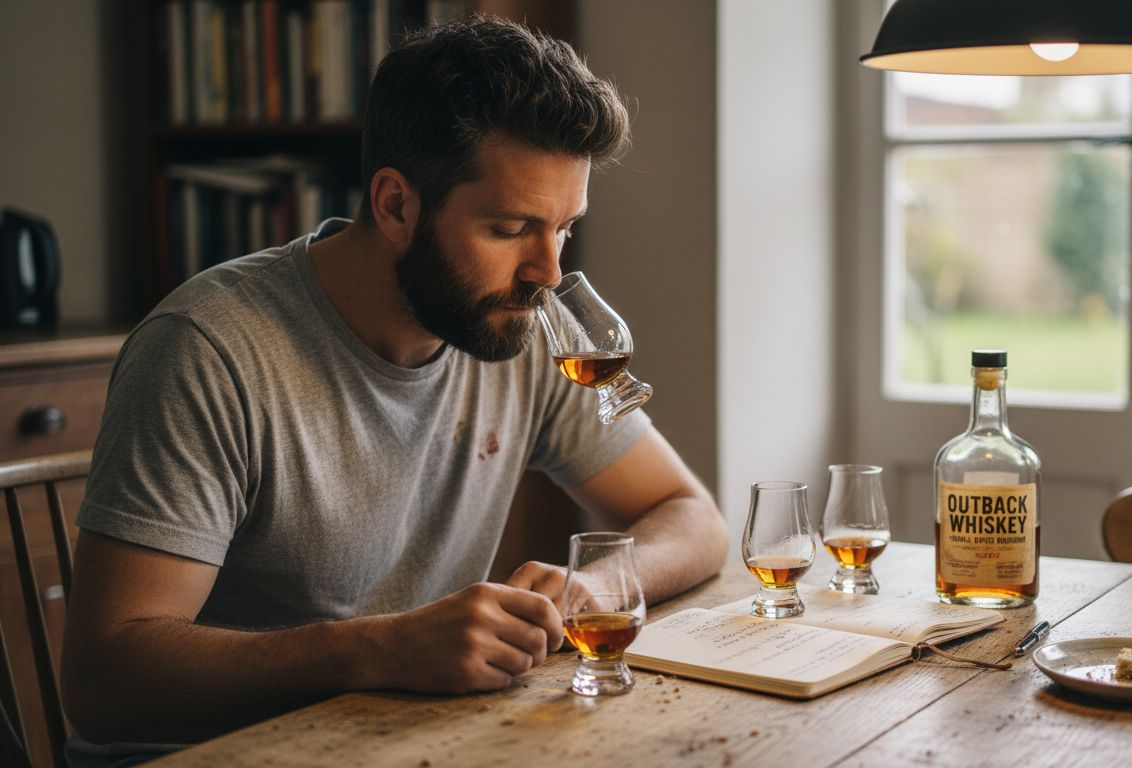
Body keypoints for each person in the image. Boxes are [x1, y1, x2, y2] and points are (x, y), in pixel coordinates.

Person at [60, 16, 728, 766]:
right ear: (396, 206)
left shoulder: (524, 328)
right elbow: (103, 681)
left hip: (403, 745)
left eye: (563, 229)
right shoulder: (207, 351)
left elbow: (691, 518)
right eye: (511, 228)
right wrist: (377, 651)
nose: (546, 273)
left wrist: (596, 587)